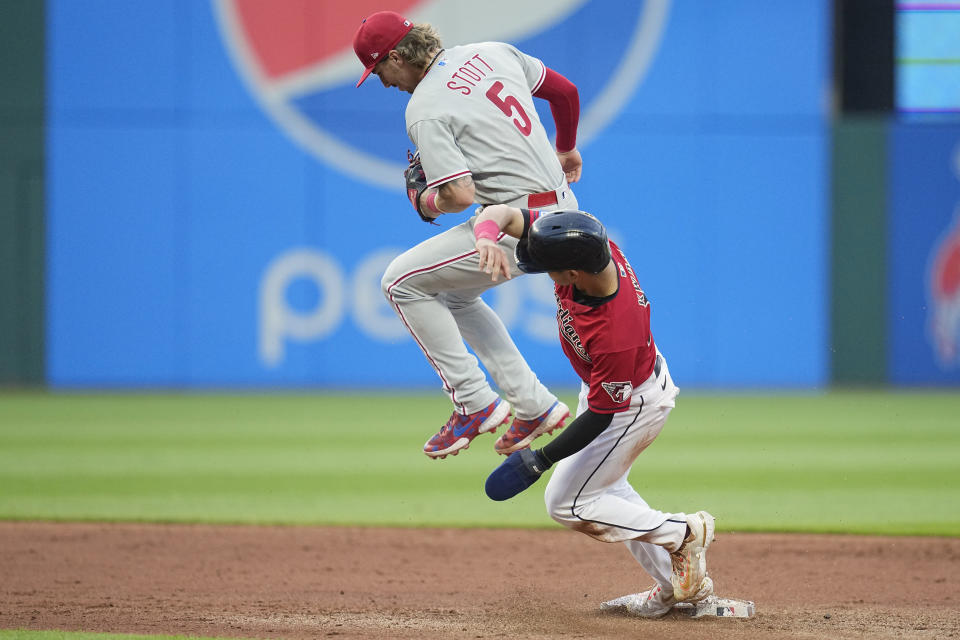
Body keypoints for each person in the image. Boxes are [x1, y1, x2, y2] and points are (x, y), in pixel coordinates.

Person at [353, 11, 583, 459]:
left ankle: (473, 404)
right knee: (455, 295)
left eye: (379, 68)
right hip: (559, 208)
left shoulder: (424, 108)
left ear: (398, 57)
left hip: (515, 225)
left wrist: (425, 202)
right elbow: (565, 92)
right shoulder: (491, 51)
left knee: (399, 283)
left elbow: (459, 195)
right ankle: (533, 405)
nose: (382, 81)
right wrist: (567, 146)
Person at [472, 204, 716, 618]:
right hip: (611, 388)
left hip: (631, 406)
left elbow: (604, 416)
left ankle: (683, 532)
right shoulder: (590, 248)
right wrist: (485, 236)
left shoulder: (615, 330)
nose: (542, 272)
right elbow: (502, 214)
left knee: (566, 502)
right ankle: (676, 589)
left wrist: (540, 460)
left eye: (548, 268)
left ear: (573, 275)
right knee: (608, 493)